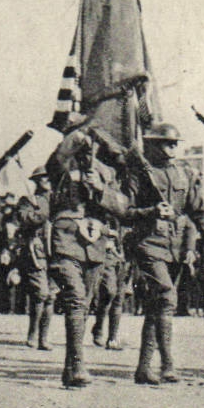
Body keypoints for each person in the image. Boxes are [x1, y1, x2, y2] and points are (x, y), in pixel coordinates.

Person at [120, 122, 204, 384]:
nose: (172, 148)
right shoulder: (138, 174)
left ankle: (143, 368)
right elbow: (124, 212)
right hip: (148, 243)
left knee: (156, 306)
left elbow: (199, 209)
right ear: (151, 144)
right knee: (166, 296)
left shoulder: (184, 174)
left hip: (175, 246)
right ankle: (168, 363)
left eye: (174, 143)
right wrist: (151, 212)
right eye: (166, 143)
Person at [42, 116, 129, 387]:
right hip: (66, 238)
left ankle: (70, 368)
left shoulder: (106, 172)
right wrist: (76, 134)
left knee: (86, 303)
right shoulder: (61, 166)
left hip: (95, 243)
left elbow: (121, 206)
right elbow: (56, 161)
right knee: (77, 300)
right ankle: (78, 364)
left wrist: (100, 190)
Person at [16, 170, 54, 349]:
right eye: (42, 178)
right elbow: (23, 218)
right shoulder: (29, 200)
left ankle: (43, 338)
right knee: (41, 293)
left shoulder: (59, 200)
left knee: (51, 296)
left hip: (56, 251)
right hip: (36, 251)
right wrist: (40, 214)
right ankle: (33, 333)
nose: (46, 180)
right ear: (36, 181)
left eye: (48, 177)